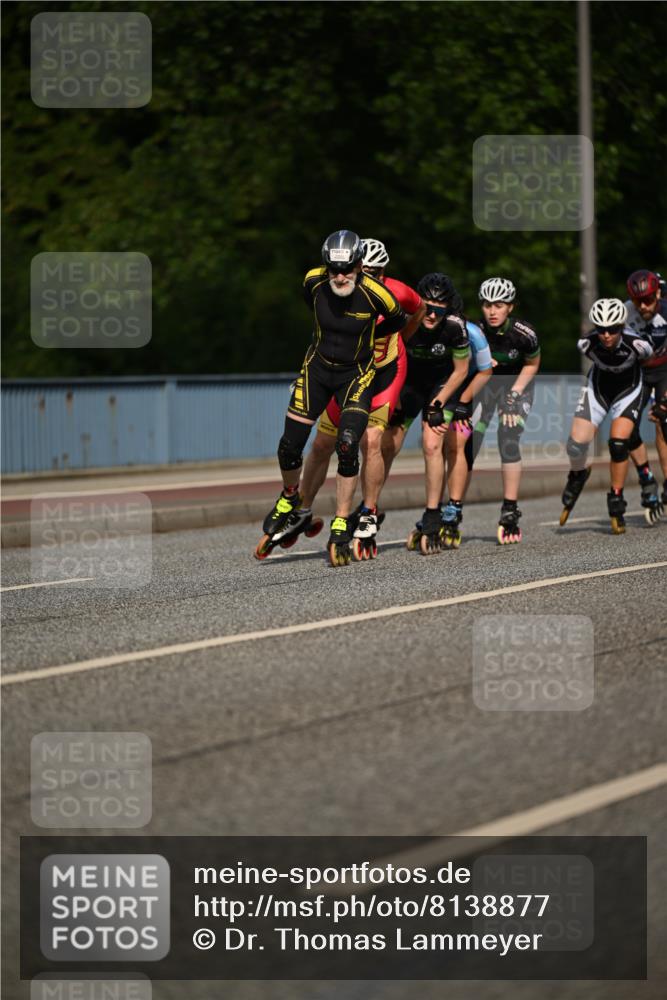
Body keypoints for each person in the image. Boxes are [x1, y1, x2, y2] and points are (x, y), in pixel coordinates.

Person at [256, 229, 406, 566]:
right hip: (318, 369)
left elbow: (397, 321)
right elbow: (312, 303)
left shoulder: (379, 296)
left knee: (348, 444)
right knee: (290, 446)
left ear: (358, 265)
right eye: (333, 269)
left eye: (347, 269)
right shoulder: (313, 281)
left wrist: (368, 333)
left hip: (356, 374)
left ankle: (340, 521)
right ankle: (290, 496)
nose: (340, 276)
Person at [298, 238, 425, 559]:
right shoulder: (338, 290)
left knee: (371, 441)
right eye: (364, 270)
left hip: (385, 371)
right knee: (322, 443)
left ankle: (368, 511)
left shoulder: (396, 292)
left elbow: (419, 308)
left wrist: (401, 338)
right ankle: (301, 507)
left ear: (385, 272)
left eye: (377, 272)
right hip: (349, 373)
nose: (370, 277)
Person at [382, 273, 470, 553]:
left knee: (432, 444)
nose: (432, 314)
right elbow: (391, 362)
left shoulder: (456, 327)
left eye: (440, 308)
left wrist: (439, 403)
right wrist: (394, 402)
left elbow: (462, 371)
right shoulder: (407, 322)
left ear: (449, 308)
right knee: (387, 444)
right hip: (410, 381)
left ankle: (433, 514)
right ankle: (368, 507)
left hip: (442, 383)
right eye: (427, 307)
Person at [559, 298, 653, 533]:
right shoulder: (585, 344)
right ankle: (579, 474)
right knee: (575, 445)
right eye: (601, 329)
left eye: (613, 329)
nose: (607, 335)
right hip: (599, 387)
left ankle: (616, 498)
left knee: (619, 444)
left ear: (622, 327)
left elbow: (652, 366)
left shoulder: (639, 345)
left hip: (628, 388)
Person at [475, 277, 541, 544]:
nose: (492, 311)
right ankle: (451, 509)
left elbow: (532, 364)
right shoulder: (475, 330)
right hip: (486, 388)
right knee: (468, 443)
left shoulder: (525, 333)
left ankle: (510, 510)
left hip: (517, 388)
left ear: (510, 307)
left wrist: (513, 395)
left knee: (509, 438)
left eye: (499, 305)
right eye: (487, 305)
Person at [437, 318, 494, 548]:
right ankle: (432, 510)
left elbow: (485, 371)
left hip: (469, 388)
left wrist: (463, 402)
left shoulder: (473, 334)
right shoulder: (429, 326)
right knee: (434, 448)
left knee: (455, 446)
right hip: (440, 385)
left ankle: (454, 507)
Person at [624, 269, 667, 519]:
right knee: (627, 428)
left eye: (649, 300)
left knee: (663, 421)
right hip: (637, 372)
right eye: (638, 301)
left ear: (658, 293)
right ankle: (647, 480)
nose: (643, 306)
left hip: (664, 369)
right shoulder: (624, 312)